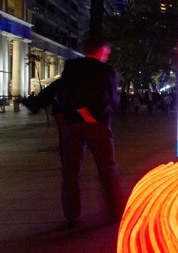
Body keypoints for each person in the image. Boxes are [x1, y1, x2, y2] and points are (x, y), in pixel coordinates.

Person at [24, 37, 125, 227]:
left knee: (71, 171)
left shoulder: (72, 68)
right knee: (107, 169)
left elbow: (56, 88)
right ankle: (116, 211)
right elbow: (113, 98)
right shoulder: (106, 71)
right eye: (107, 52)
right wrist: (98, 115)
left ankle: (72, 214)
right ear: (102, 51)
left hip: (72, 124)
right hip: (97, 124)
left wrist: (35, 103)